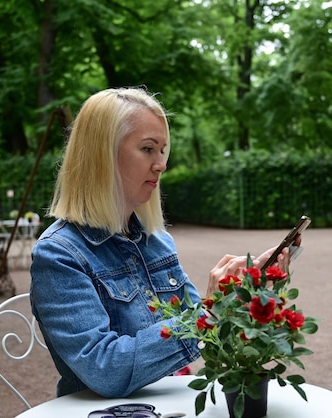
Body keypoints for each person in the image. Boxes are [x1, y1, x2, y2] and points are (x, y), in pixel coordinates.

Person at [29, 86, 296, 400]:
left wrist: (244, 288)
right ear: (102, 154)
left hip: (171, 403)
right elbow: (106, 370)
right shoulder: (59, 255)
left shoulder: (157, 241)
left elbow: (205, 336)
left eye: (162, 150)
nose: (161, 164)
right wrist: (208, 315)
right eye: (147, 149)